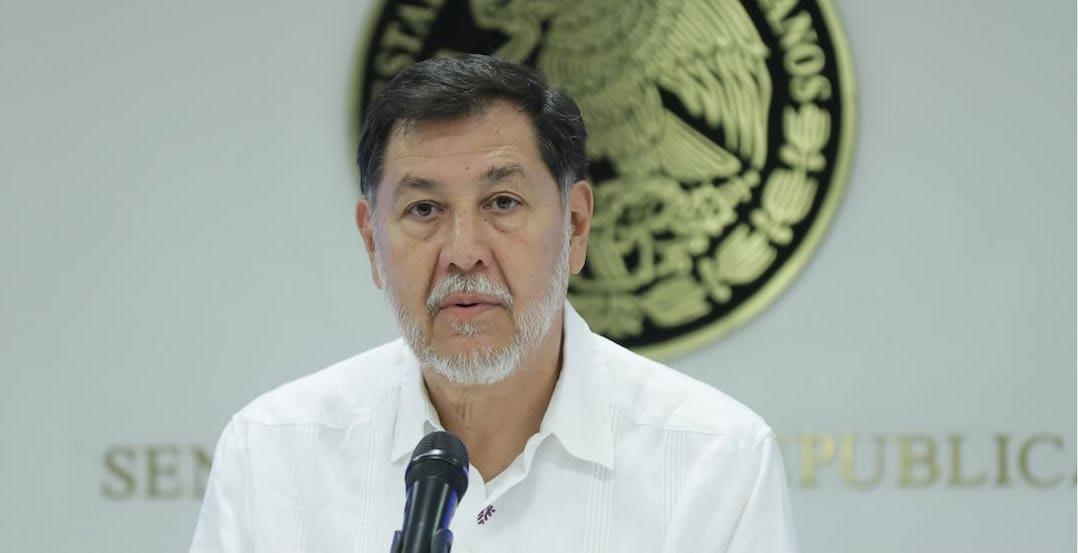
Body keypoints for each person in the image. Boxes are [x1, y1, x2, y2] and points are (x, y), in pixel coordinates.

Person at [190, 54, 797, 553]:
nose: (463, 253)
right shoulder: (272, 456)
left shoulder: (715, 464)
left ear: (576, 225)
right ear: (372, 242)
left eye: (502, 203)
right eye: (424, 209)